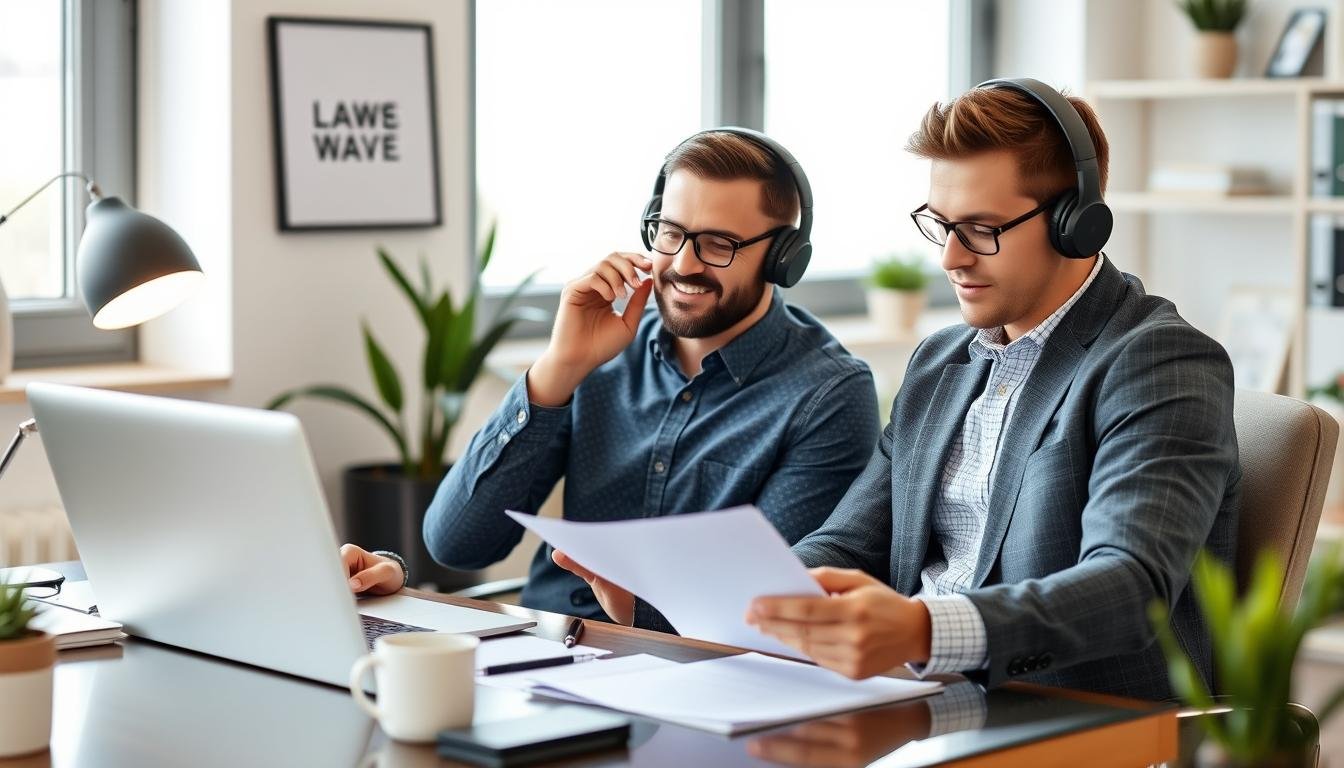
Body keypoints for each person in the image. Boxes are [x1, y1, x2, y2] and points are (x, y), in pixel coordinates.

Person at [556, 79, 1241, 701]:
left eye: (981, 229)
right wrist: (665, 605)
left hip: (1084, 721)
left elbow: (1129, 588)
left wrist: (921, 630)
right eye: (941, 225)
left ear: (1076, 222)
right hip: (918, 704)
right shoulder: (942, 362)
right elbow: (847, 545)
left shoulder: (1157, 361)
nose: (949, 257)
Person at [347, 128, 880, 623]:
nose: (684, 264)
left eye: (719, 244)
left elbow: (772, 608)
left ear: (784, 258)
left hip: (703, 675)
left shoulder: (827, 393)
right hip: (548, 656)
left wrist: (632, 610)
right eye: (670, 232)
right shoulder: (602, 351)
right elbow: (456, 546)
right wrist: (559, 369)